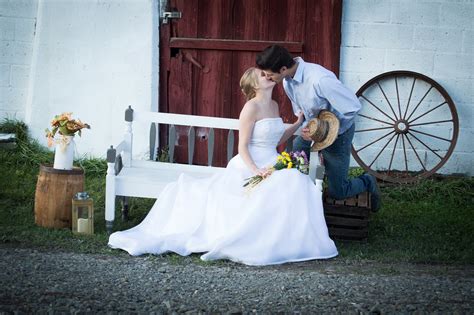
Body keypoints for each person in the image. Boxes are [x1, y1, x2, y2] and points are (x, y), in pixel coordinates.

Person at [108, 67, 338, 266]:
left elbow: (276, 140)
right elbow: (242, 147)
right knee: (276, 186)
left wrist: (296, 124)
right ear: (254, 84)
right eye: (262, 74)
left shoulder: (276, 105)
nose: (268, 75)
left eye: (268, 73)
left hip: (271, 161)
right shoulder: (250, 108)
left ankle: (290, 241)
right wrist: (256, 170)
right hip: (248, 164)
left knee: (295, 181)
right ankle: (256, 240)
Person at [256, 45, 381, 211]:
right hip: (314, 131)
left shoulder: (320, 80)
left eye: (270, 74)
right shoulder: (287, 82)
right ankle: (304, 202)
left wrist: (330, 132)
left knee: (338, 191)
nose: (266, 77)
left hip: (338, 134)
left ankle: (367, 181)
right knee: (291, 163)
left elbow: (353, 107)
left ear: (283, 68)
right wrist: (307, 127)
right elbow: (301, 110)